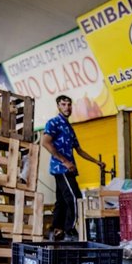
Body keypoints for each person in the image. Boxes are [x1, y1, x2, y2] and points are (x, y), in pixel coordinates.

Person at [42, 95, 104, 241]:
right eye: (64, 104)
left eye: (69, 104)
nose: (67, 107)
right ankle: (71, 230)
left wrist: (97, 162)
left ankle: (57, 230)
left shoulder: (69, 127)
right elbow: (45, 142)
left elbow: (79, 150)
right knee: (75, 198)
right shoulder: (54, 122)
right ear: (58, 106)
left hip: (68, 169)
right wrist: (64, 161)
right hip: (61, 169)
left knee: (62, 201)